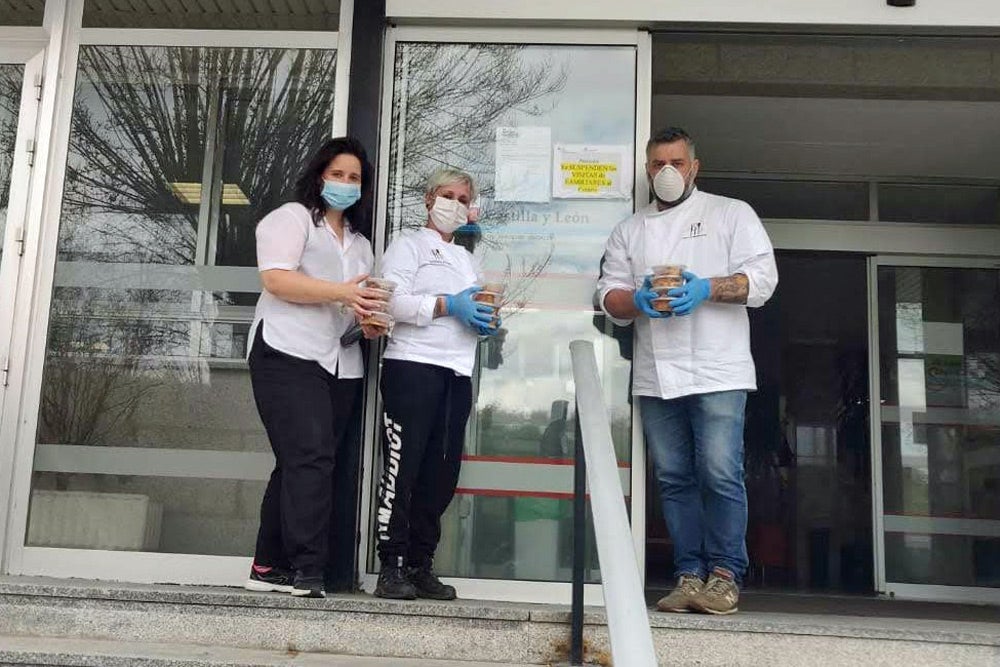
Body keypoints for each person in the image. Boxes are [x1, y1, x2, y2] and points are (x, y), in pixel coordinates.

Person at [597, 127, 778, 615]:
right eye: (658, 164)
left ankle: (724, 575)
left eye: (677, 162)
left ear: (694, 167)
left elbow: (762, 280)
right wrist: (634, 301)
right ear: (648, 171)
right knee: (674, 478)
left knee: (720, 472)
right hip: (657, 373)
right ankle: (688, 574)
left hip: (720, 370)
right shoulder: (630, 230)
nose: (668, 172)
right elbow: (608, 296)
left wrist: (706, 289)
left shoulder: (731, 213)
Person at [244, 137, 386, 599]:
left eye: (355, 178)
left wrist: (364, 322)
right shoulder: (291, 219)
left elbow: (351, 306)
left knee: (299, 461)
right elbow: (276, 278)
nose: (345, 184)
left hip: (340, 361)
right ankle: (308, 571)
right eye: (337, 174)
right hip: (286, 351)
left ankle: (268, 565)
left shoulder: (362, 247)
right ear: (319, 175)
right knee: (310, 458)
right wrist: (343, 293)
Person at [373, 167, 499, 600]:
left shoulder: (467, 260)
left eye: (464, 198)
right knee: (402, 469)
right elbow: (391, 301)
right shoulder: (407, 246)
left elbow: (476, 309)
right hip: (412, 367)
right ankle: (390, 565)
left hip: (457, 373)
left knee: (440, 477)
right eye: (447, 195)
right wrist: (447, 304)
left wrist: (485, 321)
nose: (455, 203)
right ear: (429, 200)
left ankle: (421, 564)